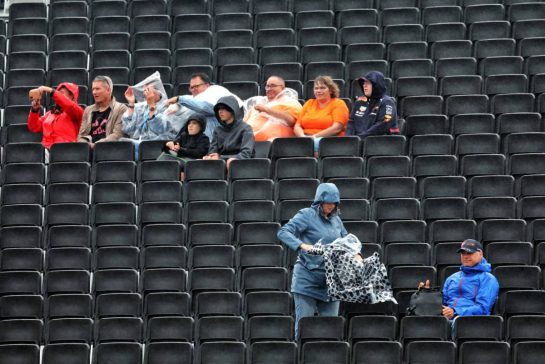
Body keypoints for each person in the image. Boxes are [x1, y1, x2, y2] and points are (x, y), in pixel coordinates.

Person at [277, 183, 348, 338]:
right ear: (319, 201)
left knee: (331, 331)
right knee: (305, 328)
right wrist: (302, 245)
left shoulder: (337, 221)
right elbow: (283, 232)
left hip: (331, 282)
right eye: (327, 202)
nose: (331, 206)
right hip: (307, 279)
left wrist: (357, 255)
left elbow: (348, 242)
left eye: (333, 203)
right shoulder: (306, 215)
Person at [419, 239, 499, 325]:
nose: (465, 256)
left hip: (471, 323)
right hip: (447, 321)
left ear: (480, 254)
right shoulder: (452, 278)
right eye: (463, 253)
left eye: (469, 253)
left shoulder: (488, 279)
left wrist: (455, 312)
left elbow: (483, 308)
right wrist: (427, 297)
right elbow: (442, 304)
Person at [167, 73, 241, 139]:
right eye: (191, 87)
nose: (193, 89)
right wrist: (177, 104)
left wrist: (179, 99)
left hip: (233, 122)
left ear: (207, 85)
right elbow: (188, 100)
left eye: (196, 86)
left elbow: (208, 109)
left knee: (203, 119)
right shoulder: (196, 97)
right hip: (223, 124)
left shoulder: (215, 90)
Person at [294, 75, 349, 153]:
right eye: (316, 88)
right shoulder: (309, 103)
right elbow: (297, 125)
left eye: (322, 88)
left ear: (330, 90)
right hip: (306, 138)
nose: (318, 91)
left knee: (311, 146)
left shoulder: (339, 103)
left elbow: (337, 128)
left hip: (328, 139)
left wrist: (314, 137)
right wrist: (303, 137)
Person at [27, 83, 84, 153]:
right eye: (58, 93)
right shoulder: (49, 114)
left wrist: (50, 90)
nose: (59, 96)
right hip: (47, 152)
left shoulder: (77, 111)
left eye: (61, 93)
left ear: (72, 96)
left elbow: (68, 105)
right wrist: (34, 110)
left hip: (67, 151)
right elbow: (34, 127)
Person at [243, 75, 302, 141]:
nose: (269, 89)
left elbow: (292, 121)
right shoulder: (259, 103)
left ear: (282, 88)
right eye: (267, 86)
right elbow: (243, 123)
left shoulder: (290, 102)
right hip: (249, 142)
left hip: (274, 143)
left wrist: (266, 110)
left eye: (273, 86)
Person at [122, 83, 172, 158]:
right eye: (144, 91)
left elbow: (159, 129)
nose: (145, 93)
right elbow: (128, 129)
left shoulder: (168, 107)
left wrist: (151, 106)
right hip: (137, 143)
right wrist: (131, 104)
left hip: (155, 146)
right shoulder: (141, 107)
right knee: (122, 143)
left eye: (148, 90)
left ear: (158, 93)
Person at [203, 95, 255, 168]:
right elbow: (212, 151)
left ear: (232, 110)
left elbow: (245, 154)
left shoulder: (245, 128)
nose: (220, 111)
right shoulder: (218, 130)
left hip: (241, 164)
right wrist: (210, 156)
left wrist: (221, 158)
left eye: (224, 108)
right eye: (218, 109)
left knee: (231, 162)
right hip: (220, 164)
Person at [346, 71, 399, 138]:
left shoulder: (387, 102)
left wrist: (359, 138)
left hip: (378, 142)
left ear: (376, 85)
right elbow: (351, 122)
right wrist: (349, 139)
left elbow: (383, 124)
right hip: (356, 141)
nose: (364, 85)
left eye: (368, 83)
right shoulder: (359, 102)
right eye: (363, 83)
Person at [78, 75, 127, 148]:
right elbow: (81, 136)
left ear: (108, 90)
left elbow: (118, 135)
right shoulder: (88, 110)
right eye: (93, 89)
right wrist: (86, 145)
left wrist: (97, 145)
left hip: (109, 149)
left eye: (97, 89)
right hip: (88, 149)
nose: (94, 92)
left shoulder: (121, 108)